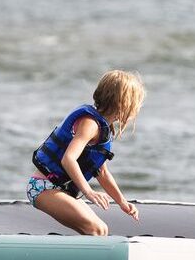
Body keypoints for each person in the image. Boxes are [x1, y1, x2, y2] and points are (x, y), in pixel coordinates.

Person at [28, 70, 145, 235]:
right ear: (123, 103)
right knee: (96, 229)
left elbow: (102, 172)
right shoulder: (90, 124)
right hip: (43, 187)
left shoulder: (103, 129)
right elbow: (68, 159)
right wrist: (88, 192)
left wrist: (122, 202)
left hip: (60, 189)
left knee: (102, 230)